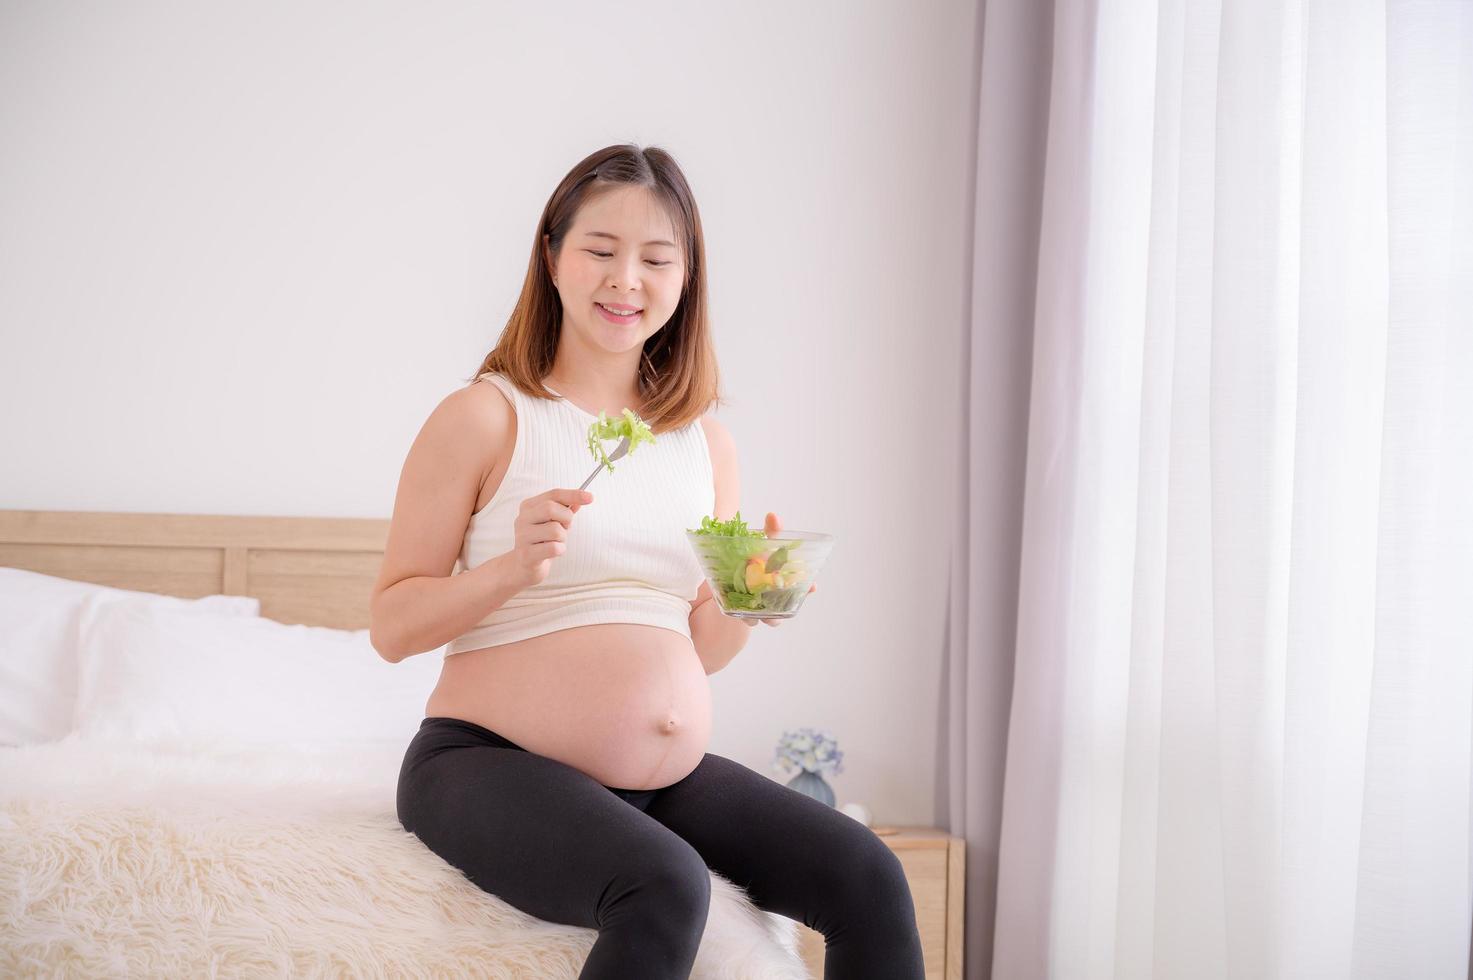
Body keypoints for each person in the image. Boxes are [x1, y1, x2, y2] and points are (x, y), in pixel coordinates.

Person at [372, 143, 924, 979]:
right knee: (662, 884)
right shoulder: (484, 417)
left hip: (661, 780)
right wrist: (507, 570)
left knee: (869, 876)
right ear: (552, 258)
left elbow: (698, 653)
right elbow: (390, 626)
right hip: (482, 762)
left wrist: (748, 601)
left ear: (685, 279)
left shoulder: (704, 443)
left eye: (656, 259)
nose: (625, 279)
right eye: (599, 250)